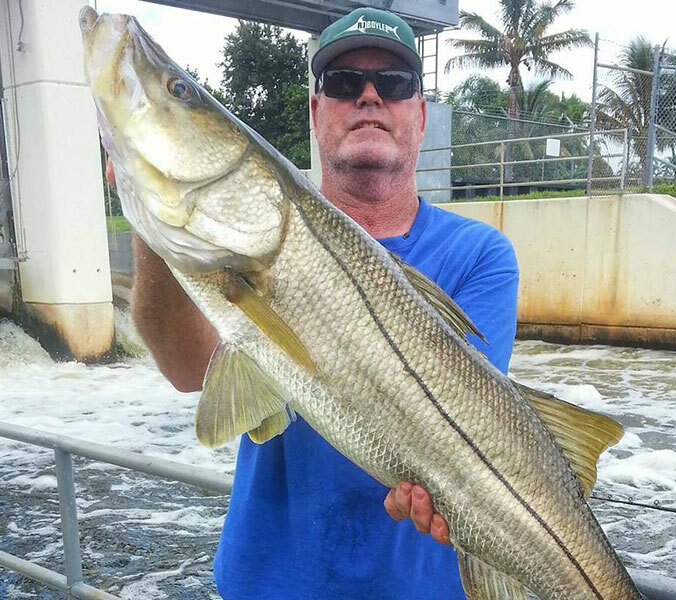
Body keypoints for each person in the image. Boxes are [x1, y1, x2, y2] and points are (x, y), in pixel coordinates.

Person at [121, 7, 519, 598]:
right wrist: (155, 217)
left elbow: (486, 433)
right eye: (342, 82)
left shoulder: (481, 255)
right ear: (315, 112)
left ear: (420, 115)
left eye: (393, 83)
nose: (368, 96)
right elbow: (186, 371)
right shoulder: (242, 242)